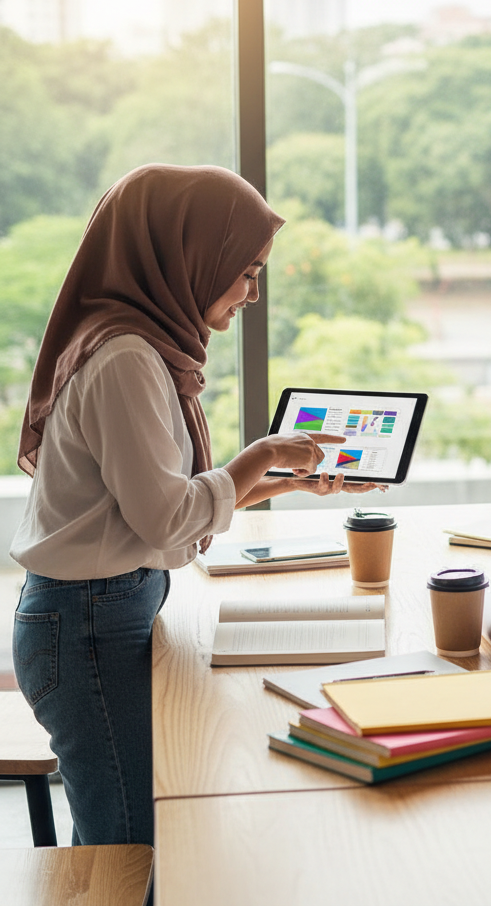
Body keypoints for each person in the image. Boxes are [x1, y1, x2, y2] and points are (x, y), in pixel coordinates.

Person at [9, 164, 376, 848]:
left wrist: (279, 483)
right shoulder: (125, 358)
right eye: (246, 270)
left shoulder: (136, 345)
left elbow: (151, 503)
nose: (253, 293)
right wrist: (261, 456)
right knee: (134, 844)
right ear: (189, 257)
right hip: (90, 622)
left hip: (104, 608)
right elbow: (167, 519)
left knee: (150, 829)